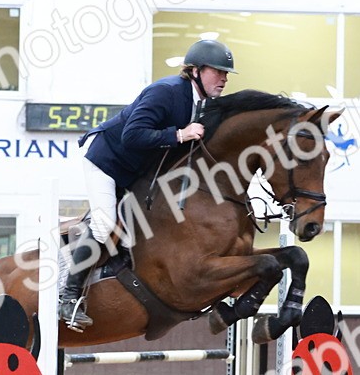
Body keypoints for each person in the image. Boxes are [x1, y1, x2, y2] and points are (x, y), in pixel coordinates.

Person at [59, 39, 237, 329]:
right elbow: (132, 135)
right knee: (105, 225)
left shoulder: (201, 103)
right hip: (107, 160)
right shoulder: (166, 91)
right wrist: (179, 134)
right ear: (195, 71)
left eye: (226, 73)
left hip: (135, 171)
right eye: (218, 71)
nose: (224, 78)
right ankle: (68, 298)